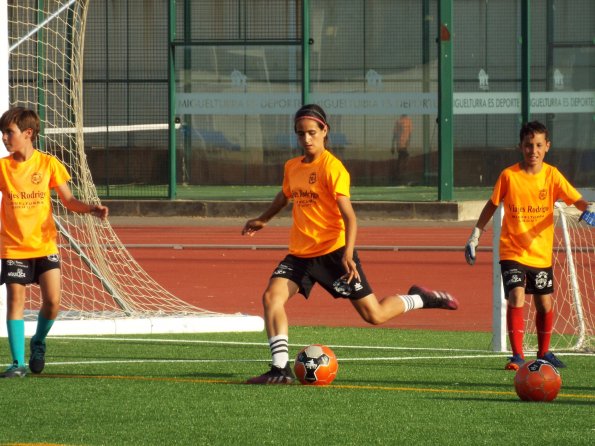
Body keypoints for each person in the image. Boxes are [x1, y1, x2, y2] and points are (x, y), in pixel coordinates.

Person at [241, 104, 458, 385]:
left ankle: (421, 298)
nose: (306, 139)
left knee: (374, 315)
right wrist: (263, 219)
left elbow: (350, 218)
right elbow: (284, 197)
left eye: (311, 133)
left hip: (334, 254)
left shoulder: (333, 168)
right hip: (300, 256)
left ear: (324, 131)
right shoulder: (292, 167)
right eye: (300, 134)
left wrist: (348, 254)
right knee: (272, 297)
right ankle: (279, 370)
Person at [464, 120, 593, 371]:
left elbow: (576, 199)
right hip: (512, 251)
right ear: (520, 147)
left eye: (538, 145)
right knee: (516, 295)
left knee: (545, 304)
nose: (532, 150)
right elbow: (491, 205)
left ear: (547, 147)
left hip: (540, 254)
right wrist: (475, 235)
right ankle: (517, 357)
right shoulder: (509, 175)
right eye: (527, 145)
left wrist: (589, 209)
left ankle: (544, 353)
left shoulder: (552, 175)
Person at [0, 107, 109, 378]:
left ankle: (38, 341)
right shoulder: (3, 168)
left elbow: (69, 201)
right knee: (16, 299)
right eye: (2, 133)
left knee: (53, 302)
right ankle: (17, 363)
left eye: (8, 132)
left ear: (28, 134)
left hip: (45, 245)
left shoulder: (48, 164)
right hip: (13, 246)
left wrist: (91, 209)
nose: (4, 138)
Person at [391, 114, 412, 184]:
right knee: (405, 157)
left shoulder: (399, 121)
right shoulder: (407, 121)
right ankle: (400, 173)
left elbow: (395, 134)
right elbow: (410, 134)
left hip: (401, 143)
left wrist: (392, 145)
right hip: (402, 143)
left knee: (401, 158)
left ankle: (399, 174)